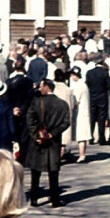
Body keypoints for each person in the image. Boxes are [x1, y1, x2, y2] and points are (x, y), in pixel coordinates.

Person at [25, 79, 71, 208]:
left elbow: (30, 120)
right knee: (53, 172)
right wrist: (53, 134)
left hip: (38, 142)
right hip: (54, 142)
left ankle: (34, 199)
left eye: (41, 86)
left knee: (35, 172)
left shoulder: (36, 102)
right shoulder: (62, 104)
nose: (39, 89)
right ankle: (55, 199)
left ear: (46, 87)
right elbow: (66, 122)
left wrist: (36, 135)